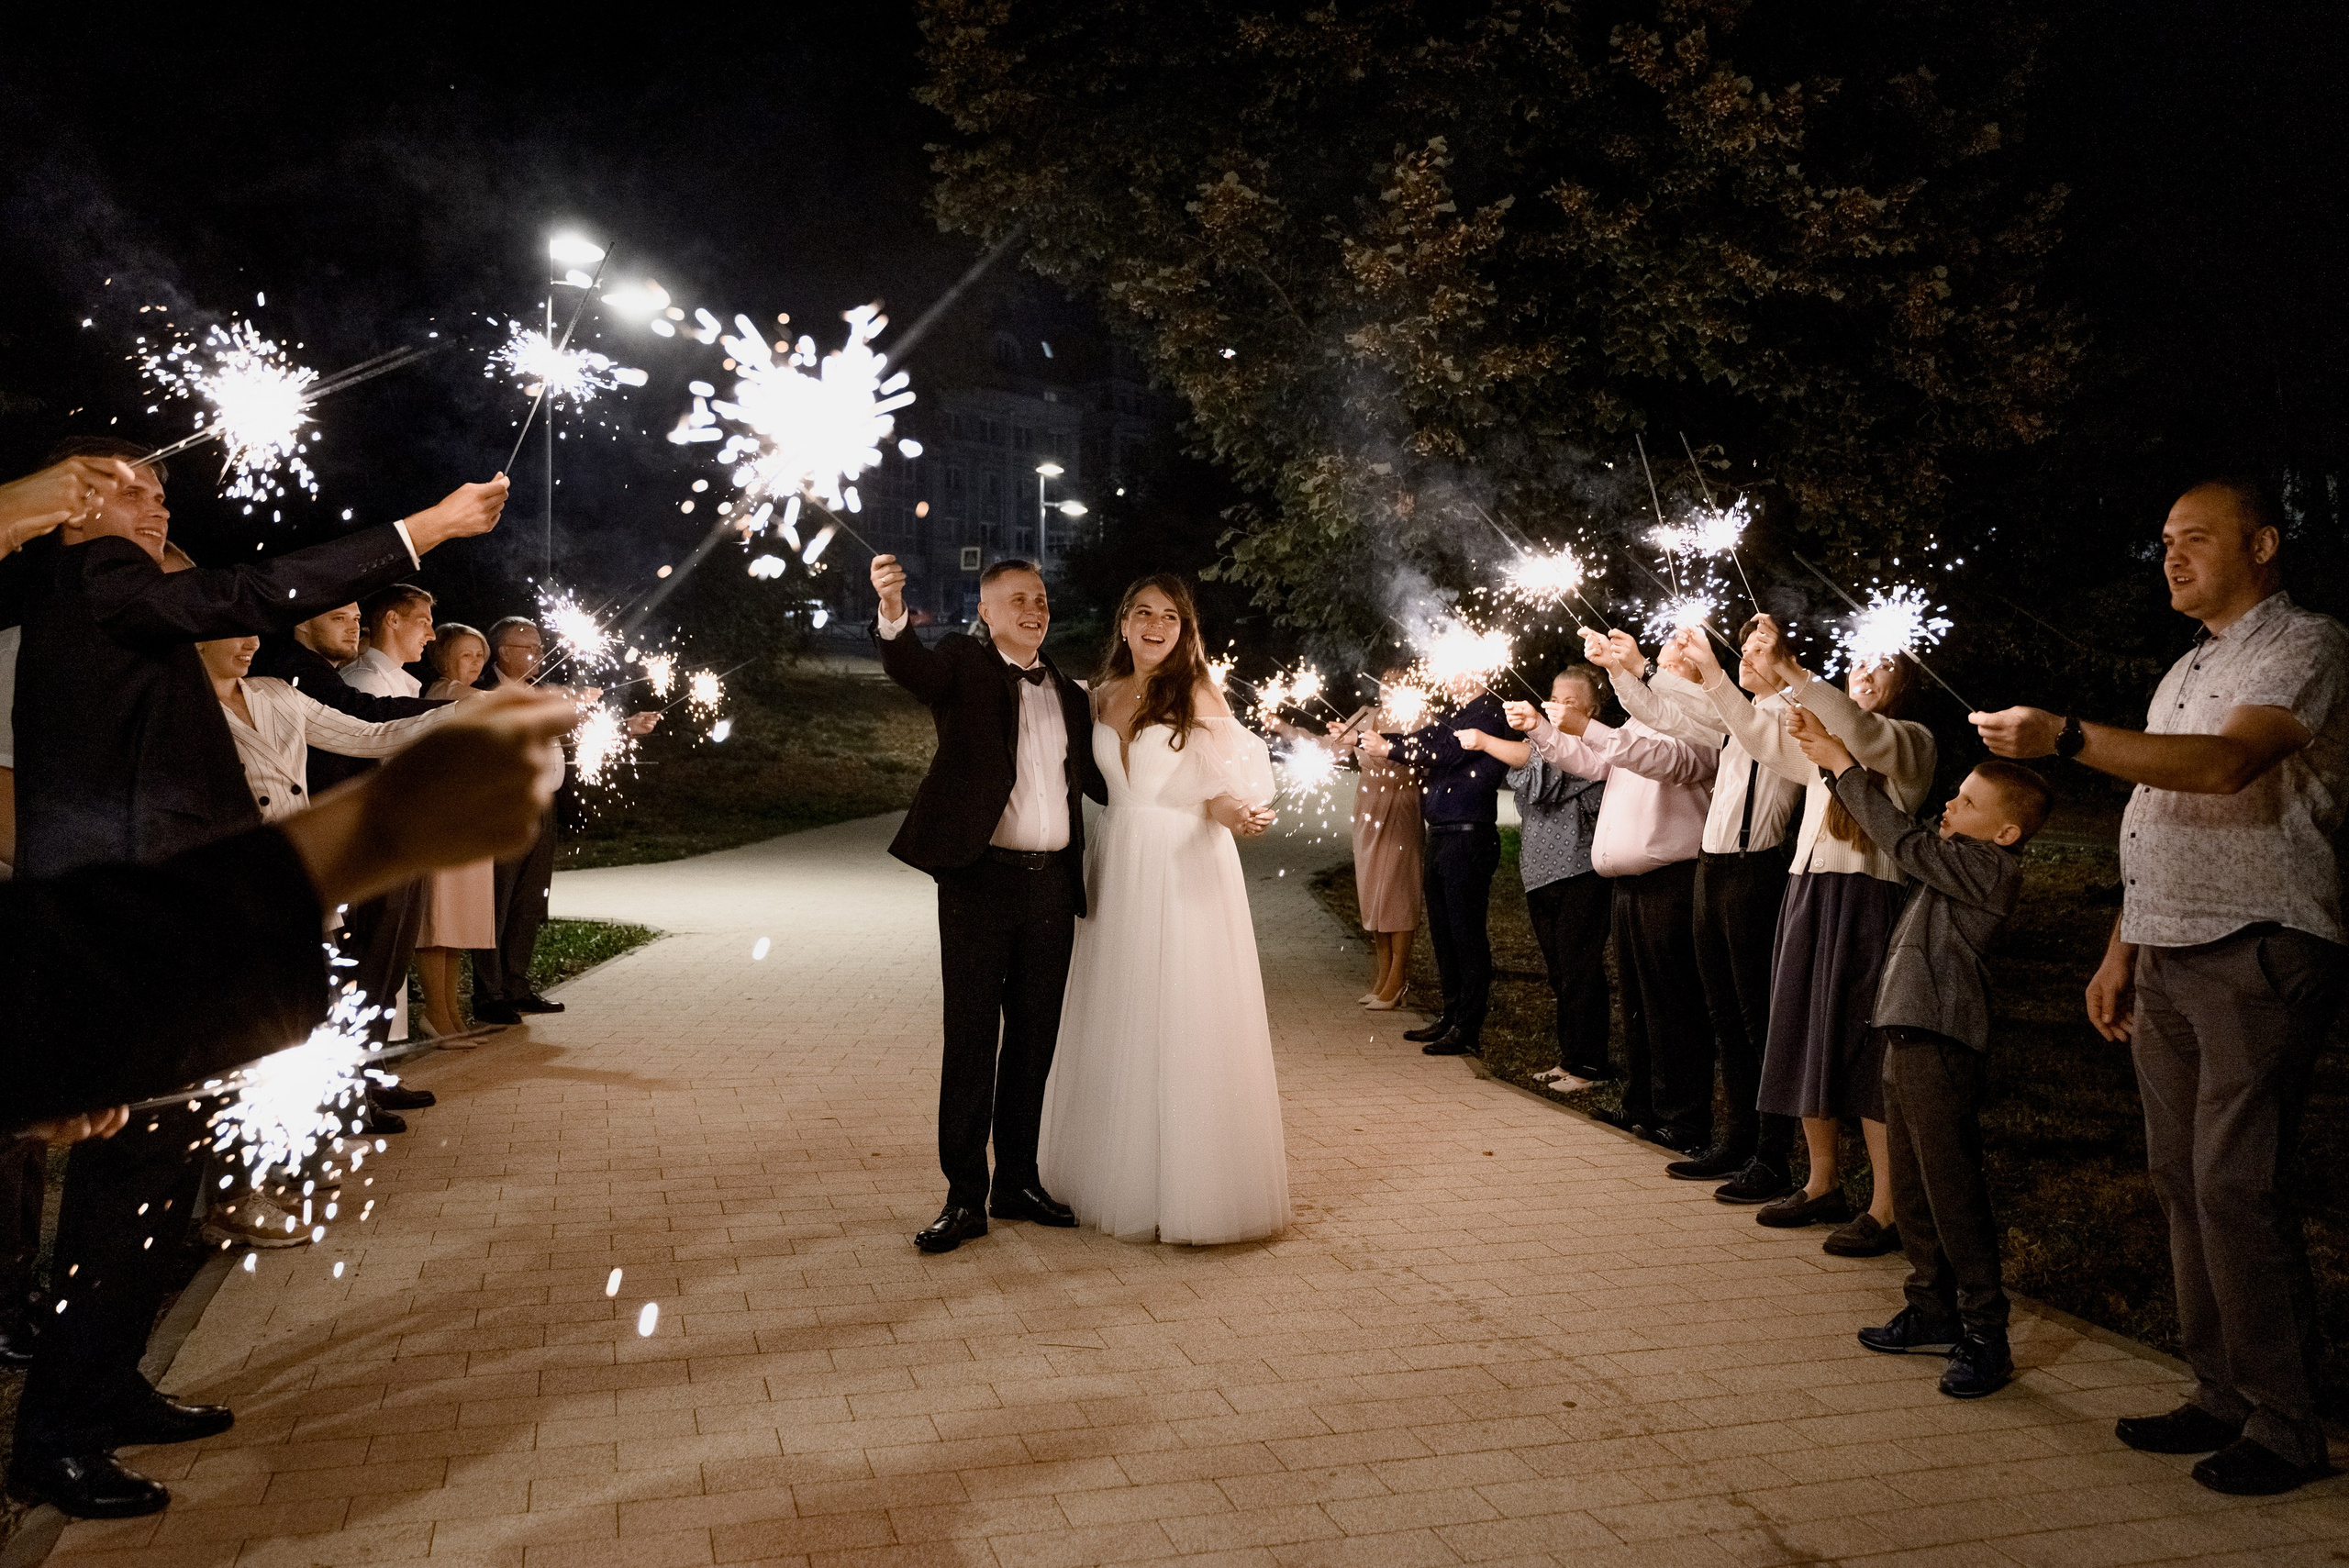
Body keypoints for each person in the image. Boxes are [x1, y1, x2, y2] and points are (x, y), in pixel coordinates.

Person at [0, 438, 507, 1521]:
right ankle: (57, 1436)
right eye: (123, 487)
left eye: (157, 488)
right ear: (69, 506)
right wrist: (426, 527)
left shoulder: (119, 606)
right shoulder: (93, 581)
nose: (148, 500)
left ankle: (109, 1381)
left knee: (155, 1179)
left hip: (166, 934)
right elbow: (247, 589)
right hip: (127, 941)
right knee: (120, 1190)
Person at [1974, 478, 2349, 1495]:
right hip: (2168, 948)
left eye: (2195, 539)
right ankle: (2219, 1390)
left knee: (2236, 1183)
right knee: (2181, 1180)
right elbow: (2154, 811)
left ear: (2263, 543)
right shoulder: (2185, 666)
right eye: (2163, 542)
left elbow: (2226, 768)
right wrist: (2120, 946)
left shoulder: (2303, 645)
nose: (2171, 557)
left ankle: (2284, 1421)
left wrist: (2066, 737)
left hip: (2256, 945)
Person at [0, 690, 580, 1134]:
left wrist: (58, 1066)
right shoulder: (167, 707)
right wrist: (370, 832)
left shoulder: (278, 694)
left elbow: (47, 977)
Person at [1791, 708, 2050, 1399]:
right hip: (1904, 1036)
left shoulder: (1989, 870)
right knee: (1910, 1186)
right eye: (1955, 792)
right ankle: (1931, 1305)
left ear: (2006, 831)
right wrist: (1828, 758)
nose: (1950, 802)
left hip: (1941, 1042)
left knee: (1951, 1187)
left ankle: (1985, 1333)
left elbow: (1902, 841)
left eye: (1968, 801)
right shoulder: (1958, 861)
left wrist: (1845, 766)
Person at [1673, 617, 1936, 1256]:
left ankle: (1887, 1203)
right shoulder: (1824, 733)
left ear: (1906, 684)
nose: (1864, 673)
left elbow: (1863, 734)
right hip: (1808, 888)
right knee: (1804, 1029)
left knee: (1865, 1047)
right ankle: (1822, 1182)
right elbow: (1762, 736)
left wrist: (1792, 671)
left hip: (1866, 897)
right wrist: (1712, 671)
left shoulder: (1909, 740)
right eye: (1858, 664)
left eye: (1881, 667)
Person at [869, 551, 1108, 1253]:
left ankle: (1019, 1180)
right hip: (979, 882)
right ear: (984, 609)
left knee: (1034, 1042)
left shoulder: (1067, 689)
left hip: (1051, 887)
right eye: (1016, 600)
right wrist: (890, 609)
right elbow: (910, 665)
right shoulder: (962, 666)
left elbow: (1102, 778)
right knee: (972, 1040)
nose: (1033, 610)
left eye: (1039, 599)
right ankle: (964, 1196)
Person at [1039, 575, 1286, 1244]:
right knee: (1120, 1012)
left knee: (1181, 1013)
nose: (1155, 624)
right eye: (1142, 611)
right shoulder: (1096, 696)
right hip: (1117, 866)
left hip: (1182, 865)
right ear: (1123, 623)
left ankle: (1190, 1190)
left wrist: (1244, 813)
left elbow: (1222, 790)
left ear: (1185, 629)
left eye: (1169, 615)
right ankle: (1114, 1174)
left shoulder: (1199, 692)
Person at [1589, 619, 1806, 1203]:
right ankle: (1737, 1139)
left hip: (1754, 872)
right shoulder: (1728, 713)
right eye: (1744, 649)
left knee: (1756, 1015)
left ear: (1786, 661)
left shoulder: (1784, 714)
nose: (1744, 658)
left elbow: (1727, 718)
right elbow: (1667, 716)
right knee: (1725, 1013)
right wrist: (1627, 671)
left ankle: (1772, 1153)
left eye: (1759, 649)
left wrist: (1666, 668)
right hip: (1714, 870)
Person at [1503, 644, 1714, 1152]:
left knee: (1673, 1006)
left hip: (1672, 879)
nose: (1662, 663)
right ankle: (1641, 1107)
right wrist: (1541, 729)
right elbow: (1595, 763)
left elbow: (1661, 761)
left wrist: (1590, 726)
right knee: (1640, 1004)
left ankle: (1685, 1121)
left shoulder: (1700, 720)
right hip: (1630, 886)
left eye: (1673, 659)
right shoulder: (1640, 722)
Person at [1450, 668, 1610, 1087]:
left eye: (1570, 701)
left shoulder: (1591, 745)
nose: (1558, 706)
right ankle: (1572, 1058)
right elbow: (1522, 767)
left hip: (1580, 871)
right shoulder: (1543, 743)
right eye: (1554, 697)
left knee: (1580, 970)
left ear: (1592, 710)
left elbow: (1540, 774)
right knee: (1560, 971)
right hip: (1540, 873)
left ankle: (1589, 1066)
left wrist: (1485, 740)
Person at [1358, 673, 1517, 1057]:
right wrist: (1382, 742)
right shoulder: (1457, 714)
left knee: (1466, 936)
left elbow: (1448, 752)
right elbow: (1428, 740)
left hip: (1470, 836)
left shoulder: (1490, 714)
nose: (1445, 679)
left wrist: (1389, 750)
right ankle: (1451, 1017)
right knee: (1444, 935)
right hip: (1443, 835)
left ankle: (1468, 1028)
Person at [417, 625, 499, 1034]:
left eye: (480, 655)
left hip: (467, 817)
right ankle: (436, 1011)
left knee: (455, 925)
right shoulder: (445, 692)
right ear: (443, 657)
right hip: (442, 820)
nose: (476, 663)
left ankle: (449, 1011)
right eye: (466, 654)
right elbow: (494, 704)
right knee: (438, 920)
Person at [1347, 671, 1425, 1008]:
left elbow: (1426, 758)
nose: (1389, 687)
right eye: (1384, 681)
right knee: (1373, 897)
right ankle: (1382, 977)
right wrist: (1286, 730)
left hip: (1400, 806)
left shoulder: (1422, 718)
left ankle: (1398, 979)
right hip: (1368, 810)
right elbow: (1331, 746)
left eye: (1398, 681)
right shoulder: (1366, 715)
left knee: (1397, 894)